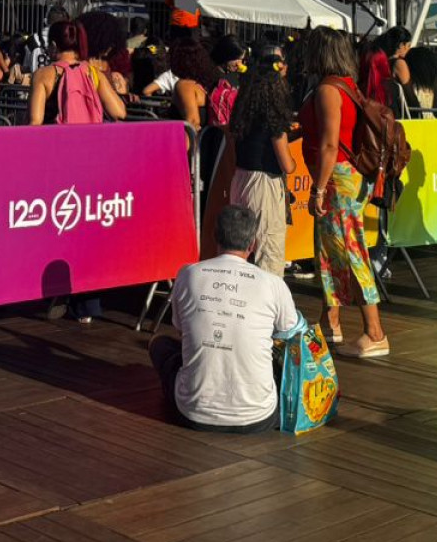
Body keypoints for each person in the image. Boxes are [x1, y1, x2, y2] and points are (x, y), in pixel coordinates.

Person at [150, 205, 305, 432]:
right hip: (259, 416)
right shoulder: (273, 283)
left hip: (192, 413)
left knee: (159, 343)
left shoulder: (188, 274)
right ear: (252, 244)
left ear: (215, 238)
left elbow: (181, 331)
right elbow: (292, 331)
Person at [298, 27, 388, 358]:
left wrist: (317, 190)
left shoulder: (327, 90)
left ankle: (374, 331)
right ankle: (330, 321)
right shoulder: (347, 86)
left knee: (350, 251)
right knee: (331, 251)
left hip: (337, 179)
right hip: (347, 178)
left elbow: (329, 144)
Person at [28, 19, 125, 322]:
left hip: (57, 163)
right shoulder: (93, 74)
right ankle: (88, 305)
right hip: (91, 163)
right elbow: (119, 112)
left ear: (54, 45)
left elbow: (33, 123)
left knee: (57, 227)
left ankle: (54, 289)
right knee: (87, 230)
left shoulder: (44, 75)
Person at [222, 63, 299, 282]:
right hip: (264, 185)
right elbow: (288, 166)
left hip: (240, 180)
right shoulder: (275, 122)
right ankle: (267, 308)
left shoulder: (241, 118)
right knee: (268, 251)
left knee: (240, 246)